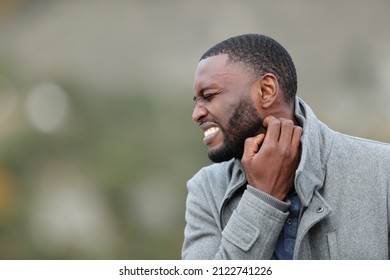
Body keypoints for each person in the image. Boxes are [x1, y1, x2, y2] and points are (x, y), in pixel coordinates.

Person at [182, 33, 390, 260]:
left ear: (266, 90)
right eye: (197, 101)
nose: (196, 114)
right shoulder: (206, 190)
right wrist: (262, 198)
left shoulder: (382, 171)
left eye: (209, 96)